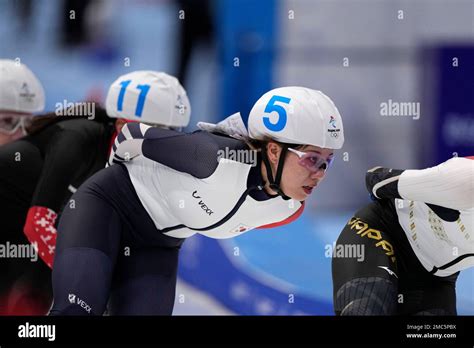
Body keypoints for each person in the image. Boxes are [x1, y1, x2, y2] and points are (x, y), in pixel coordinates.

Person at [49, 86, 345, 315]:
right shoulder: (211, 157)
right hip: (106, 209)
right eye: (310, 159)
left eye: (327, 162)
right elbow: (131, 133)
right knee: (77, 310)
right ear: (273, 151)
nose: (319, 174)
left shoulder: (287, 208)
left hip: (156, 245)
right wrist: (93, 194)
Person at [0, 69, 189, 314]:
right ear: (121, 125)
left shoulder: (135, 164)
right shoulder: (77, 137)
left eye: (173, 135)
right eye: (154, 132)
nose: (163, 145)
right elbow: (38, 225)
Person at [332, 156, 473, 315]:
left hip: (434, 281)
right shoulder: (464, 178)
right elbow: (375, 178)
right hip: (380, 233)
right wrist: (432, 196)